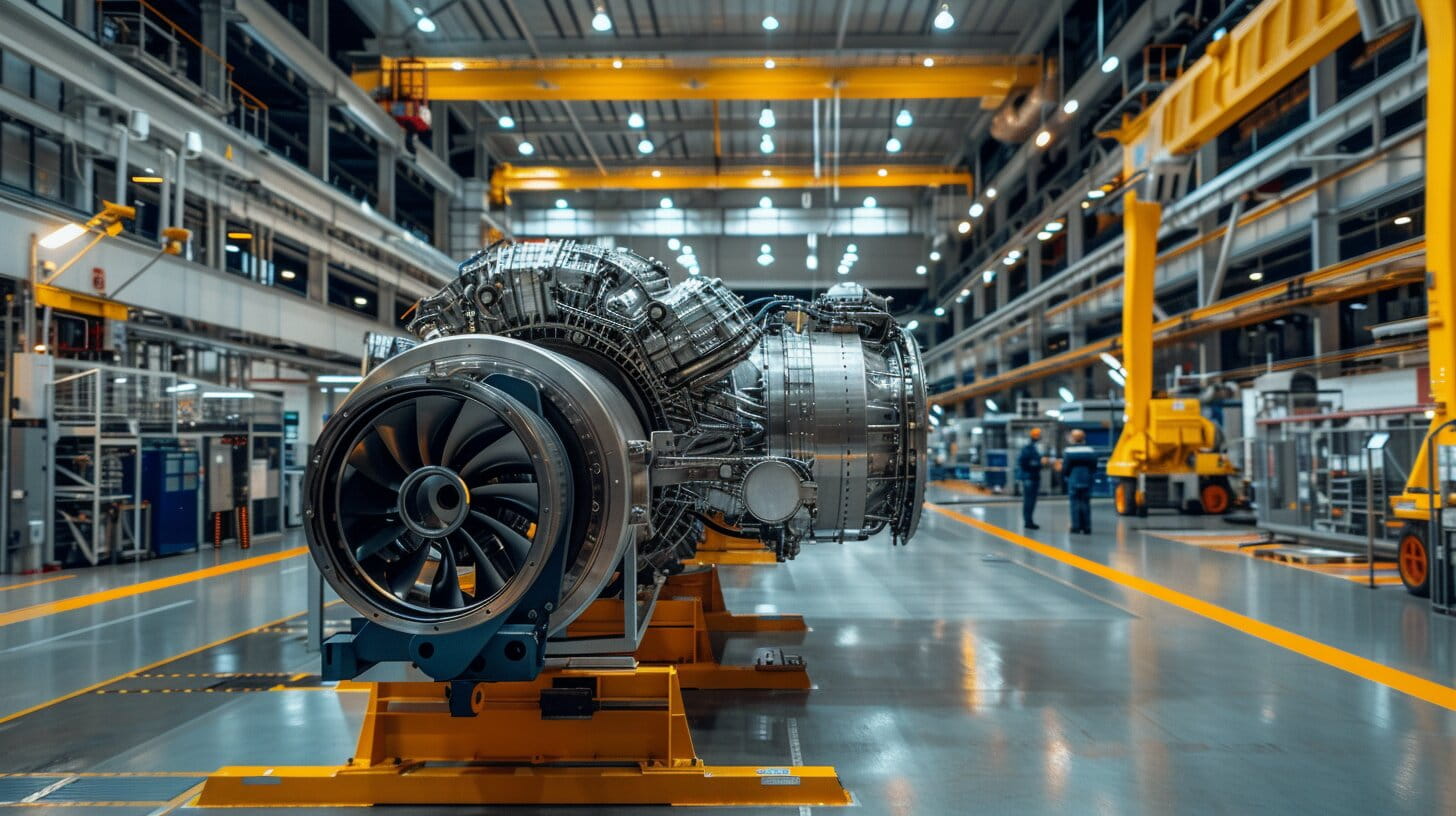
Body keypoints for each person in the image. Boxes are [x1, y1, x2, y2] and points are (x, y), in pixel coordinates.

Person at [1060, 428, 1099, 534]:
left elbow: (1065, 467)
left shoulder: (1069, 451)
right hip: (1087, 479)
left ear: (1073, 439)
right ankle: (1087, 527)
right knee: (1086, 503)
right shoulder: (1090, 451)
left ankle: (1076, 526)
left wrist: (1066, 475)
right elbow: (1094, 466)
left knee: (1074, 503)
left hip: (1073, 479)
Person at [1017, 428, 1049, 530]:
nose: (1039, 437)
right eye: (1037, 435)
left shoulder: (1037, 448)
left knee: (1032, 500)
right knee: (1029, 500)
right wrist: (1040, 462)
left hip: (1034, 477)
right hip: (1029, 477)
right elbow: (1023, 463)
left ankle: (1029, 520)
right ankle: (1028, 521)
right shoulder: (1027, 448)